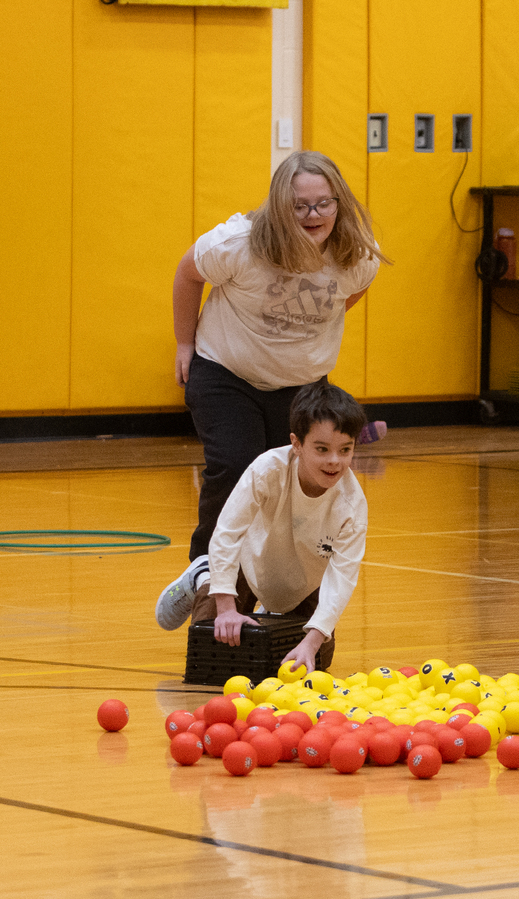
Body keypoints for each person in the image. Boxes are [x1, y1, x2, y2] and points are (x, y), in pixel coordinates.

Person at [174, 151, 388, 562]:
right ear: (278, 207)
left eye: (323, 203)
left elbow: (350, 294)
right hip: (227, 375)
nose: (313, 214)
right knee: (236, 470)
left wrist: (304, 330)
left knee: (296, 483)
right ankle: (206, 574)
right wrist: (184, 343)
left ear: (338, 202)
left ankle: (276, 581)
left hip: (303, 386)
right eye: (299, 206)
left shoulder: (358, 255)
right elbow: (187, 274)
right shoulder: (237, 244)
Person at [155, 382, 368, 672]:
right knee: (213, 646)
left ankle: (271, 612)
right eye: (322, 449)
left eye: (345, 450)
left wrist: (313, 640)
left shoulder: (352, 505)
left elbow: (342, 578)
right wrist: (226, 609)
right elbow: (227, 533)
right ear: (297, 444)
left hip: (301, 583)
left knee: (317, 659)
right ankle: (202, 577)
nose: (334, 461)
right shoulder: (267, 470)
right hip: (247, 563)